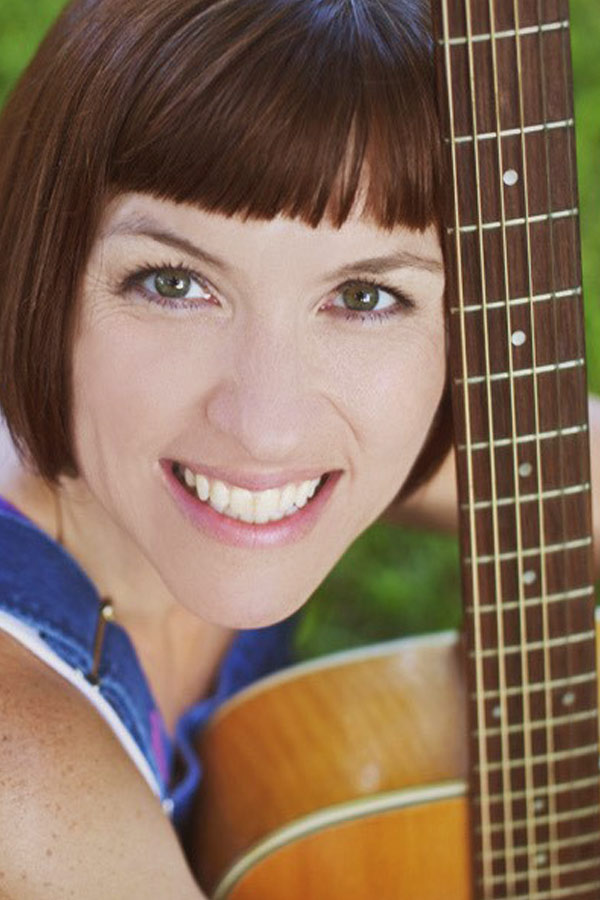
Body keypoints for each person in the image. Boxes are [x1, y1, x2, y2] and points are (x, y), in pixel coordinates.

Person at [0, 1, 454, 896]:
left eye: (365, 298)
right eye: (174, 283)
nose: (267, 427)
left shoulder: (164, 459)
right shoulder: (27, 783)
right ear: (37, 274)